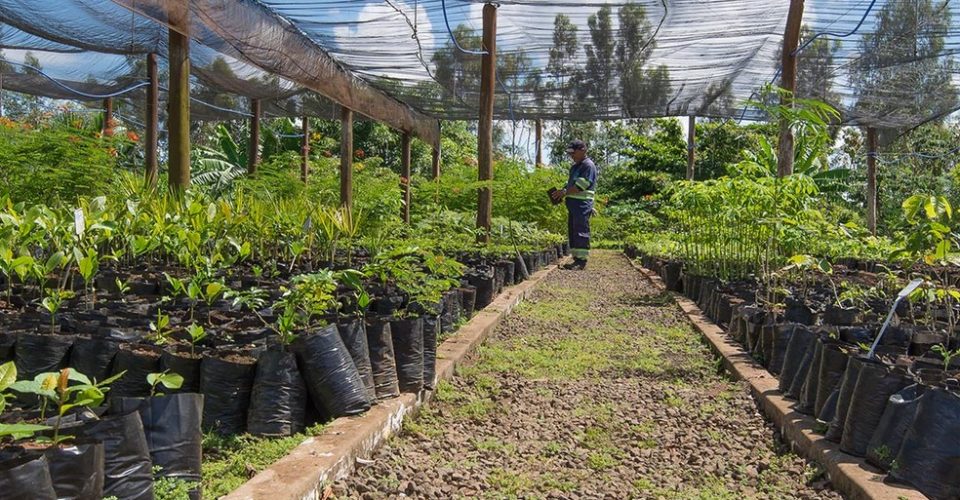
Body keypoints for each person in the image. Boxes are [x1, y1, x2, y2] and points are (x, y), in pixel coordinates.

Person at [550, 139, 597, 270]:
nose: (571, 156)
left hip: (582, 205)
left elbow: (580, 186)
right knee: (574, 231)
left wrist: (564, 192)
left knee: (581, 231)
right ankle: (576, 259)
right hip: (574, 205)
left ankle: (581, 261)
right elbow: (571, 184)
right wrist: (562, 191)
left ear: (583, 150)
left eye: (573, 152)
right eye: (570, 153)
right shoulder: (575, 167)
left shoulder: (588, 166)